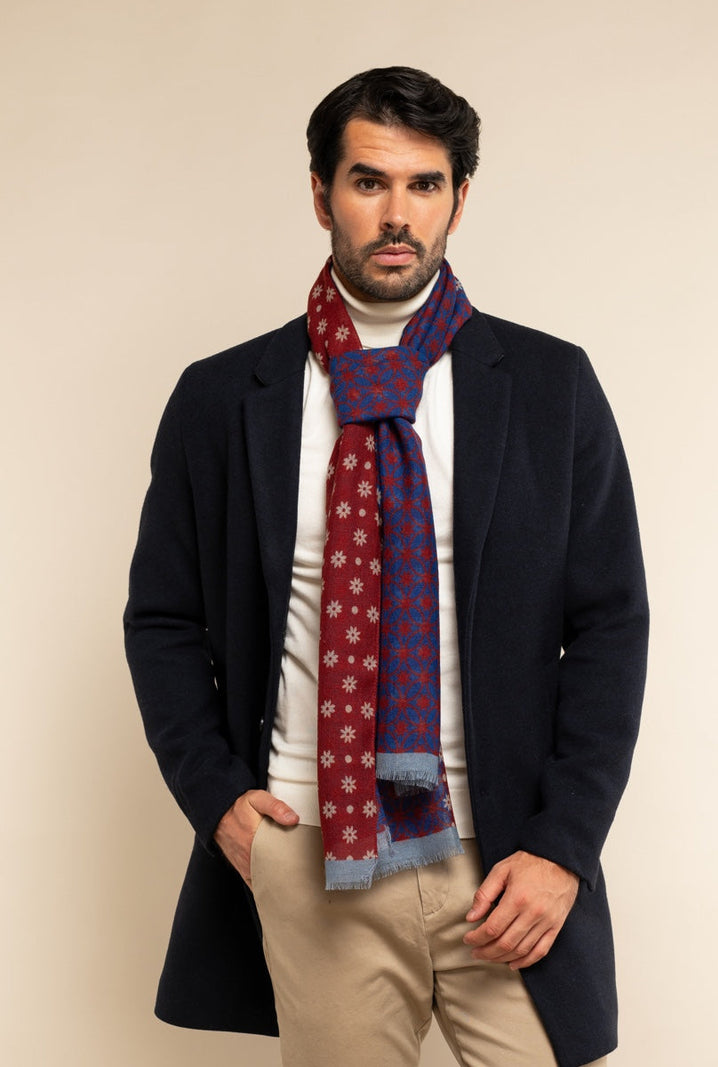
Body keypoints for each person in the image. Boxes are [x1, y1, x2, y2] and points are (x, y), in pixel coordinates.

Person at [124, 66, 648, 1067]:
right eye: (369, 181)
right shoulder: (223, 398)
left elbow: (609, 625)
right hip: (311, 849)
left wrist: (562, 844)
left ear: (459, 197)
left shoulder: (549, 387)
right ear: (321, 194)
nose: (397, 213)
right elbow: (163, 620)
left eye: (424, 183)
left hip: (503, 857)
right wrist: (218, 798)